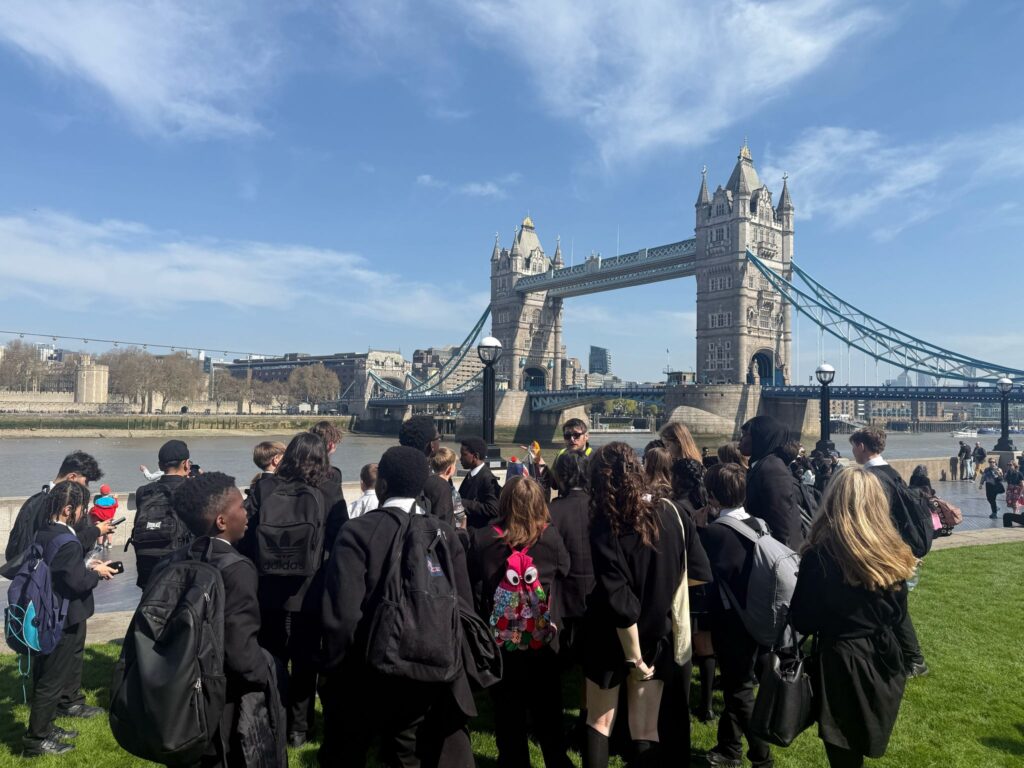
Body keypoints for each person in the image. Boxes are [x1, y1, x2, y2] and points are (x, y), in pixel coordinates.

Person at [319, 446, 476, 767]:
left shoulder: (357, 532)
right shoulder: (444, 533)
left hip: (373, 669)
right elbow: (463, 608)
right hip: (438, 667)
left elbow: (342, 616)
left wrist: (335, 675)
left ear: (382, 485)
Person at [583, 442, 711, 768]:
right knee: (646, 727)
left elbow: (618, 597)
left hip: (611, 635)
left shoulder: (605, 521)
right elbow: (695, 573)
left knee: (600, 721)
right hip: (656, 631)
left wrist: (633, 656)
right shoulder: (671, 512)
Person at [791, 468, 917, 768]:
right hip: (885, 658)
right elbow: (899, 612)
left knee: (843, 751)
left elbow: (802, 620)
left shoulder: (820, 556)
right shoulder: (894, 553)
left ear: (832, 501)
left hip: (840, 661)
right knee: (862, 741)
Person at [170, 472, 278, 768]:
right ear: (221, 521)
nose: (247, 513)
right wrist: (265, 671)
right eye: (242, 507)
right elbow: (240, 653)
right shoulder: (237, 569)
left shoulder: (177, 559)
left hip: (181, 695)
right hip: (222, 702)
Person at [470, 476, 572, 768]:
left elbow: (475, 579)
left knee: (508, 713)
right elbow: (564, 569)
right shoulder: (550, 538)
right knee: (548, 712)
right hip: (542, 638)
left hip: (503, 641)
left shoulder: (484, 538)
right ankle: (555, 758)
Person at [243, 432, 331, 748]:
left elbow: (246, 534)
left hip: (268, 591)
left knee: (271, 658)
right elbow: (338, 544)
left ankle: (270, 718)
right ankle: (299, 728)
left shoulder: (264, 488)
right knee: (306, 664)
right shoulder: (329, 492)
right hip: (309, 593)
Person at [22, 481, 115, 756]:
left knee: (44, 674)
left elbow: (60, 571)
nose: (84, 514)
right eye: (82, 509)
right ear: (67, 509)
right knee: (53, 679)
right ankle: (36, 740)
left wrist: (85, 567)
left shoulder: (44, 532)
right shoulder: (69, 541)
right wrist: (96, 572)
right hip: (62, 617)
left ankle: (47, 726)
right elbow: (75, 583)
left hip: (43, 612)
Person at [699, 463, 773, 768]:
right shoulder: (759, 524)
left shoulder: (714, 534)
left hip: (731, 622)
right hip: (758, 617)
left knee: (740, 690)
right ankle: (729, 747)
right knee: (737, 684)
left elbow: (704, 580)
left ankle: (761, 755)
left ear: (713, 495)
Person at [849, 426, 928, 678]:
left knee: (893, 604)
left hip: (883, 550)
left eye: (854, 446)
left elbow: (877, 519)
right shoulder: (891, 473)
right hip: (894, 548)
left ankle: (915, 660)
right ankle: (892, 653)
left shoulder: (873, 478)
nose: (852, 451)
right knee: (888, 602)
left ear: (862, 446)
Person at [546, 451, 594, 730]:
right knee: (591, 665)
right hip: (595, 595)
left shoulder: (552, 511)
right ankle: (588, 717)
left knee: (554, 666)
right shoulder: (600, 508)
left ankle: (551, 721)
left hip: (561, 597)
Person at [670, 457, 717, 724]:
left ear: (678, 479)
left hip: (688, 581)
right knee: (706, 645)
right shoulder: (705, 504)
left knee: (686, 645)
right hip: (706, 579)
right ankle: (708, 705)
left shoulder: (678, 508)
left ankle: (682, 701)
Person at [5, 450, 112, 561]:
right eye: (86, 481)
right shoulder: (56, 506)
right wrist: (95, 531)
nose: (87, 487)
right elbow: (62, 545)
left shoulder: (34, 501)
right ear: (72, 478)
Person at [131, 440, 194, 589]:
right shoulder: (194, 490)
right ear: (186, 464)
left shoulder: (143, 492)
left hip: (148, 567)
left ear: (160, 466)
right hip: (180, 568)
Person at [738, 416, 802, 550]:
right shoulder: (762, 465)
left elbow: (782, 522)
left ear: (761, 438)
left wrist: (781, 561)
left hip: (778, 556)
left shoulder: (772, 469)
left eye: (745, 435)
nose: (740, 440)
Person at [399, 414, 455, 524]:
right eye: (438, 438)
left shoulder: (391, 476)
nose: (440, 441)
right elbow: (446, 530)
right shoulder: (439, 486)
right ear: (432, 445)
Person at [528, 417, 593, 500]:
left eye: (576, 435)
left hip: (588, 505)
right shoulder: (561, 455)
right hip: (564, 505)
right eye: (567, 436)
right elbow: (554, 483)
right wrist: (539, 459)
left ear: (586, 436)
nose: (572, 439)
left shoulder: (595, 457)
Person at [308, 421, 349, 549]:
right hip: (322, 543)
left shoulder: (297, 469)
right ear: (331, 445)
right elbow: (338, 515)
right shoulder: (332, 475)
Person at [459, 436, 502, 528]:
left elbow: (493, 508)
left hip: (478, 532)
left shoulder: (488, 479)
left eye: (464, 454)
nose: (460, 458)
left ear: (475, 456)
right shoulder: (470, 474)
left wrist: (464, 503)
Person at [430, 447, 465, 528]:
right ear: (449, 469)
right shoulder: (452, 493)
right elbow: (460, 518)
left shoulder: (427, 483)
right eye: (454, 465)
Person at [88, 484, 118, 549]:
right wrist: (115, 498)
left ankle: (100, 545)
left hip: (100, 519)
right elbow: (116, 505)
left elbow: (95, 508)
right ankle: (109, 544)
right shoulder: (112, 500)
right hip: (109, 519)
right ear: (109, 492)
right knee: (110, 531)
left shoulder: (98, 501)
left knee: (100, 532)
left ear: (101, 492)